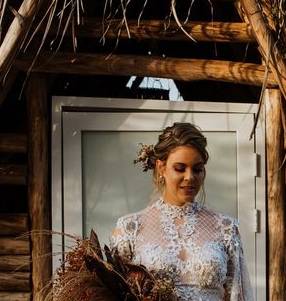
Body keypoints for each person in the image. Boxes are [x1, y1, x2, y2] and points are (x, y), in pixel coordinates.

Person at [109, 122, 254, 301]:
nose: (190, 177)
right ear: (161, 167)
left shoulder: (226, 228)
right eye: (180, 168)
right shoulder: (130, 229)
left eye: (197, 169)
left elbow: (238, 295)